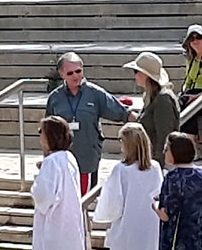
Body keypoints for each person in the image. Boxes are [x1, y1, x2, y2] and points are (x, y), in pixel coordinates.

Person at [44, 52, 135, 195]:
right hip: (62, 159)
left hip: (88, 156)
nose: (75, 76)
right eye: (70, 73)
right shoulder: (55, 98)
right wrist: (46, 158)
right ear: (62, 74)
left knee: (86, 198)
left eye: (78, 71)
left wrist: (139, 120)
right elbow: (47, 130)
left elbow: (121, 112)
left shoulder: (95, 93)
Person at [93, 123, 163, 250]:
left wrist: (103, 215)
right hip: (150, 226)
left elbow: (112, 202)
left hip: (127, 226)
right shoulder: (155, 168)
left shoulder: (121, 170)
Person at [30, 116, 89, 250]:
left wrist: (35, 185)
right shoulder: (69, 157)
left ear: (49, 136)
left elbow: (43, 196)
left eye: (41, 132)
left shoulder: (51, 162)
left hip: (54, 226)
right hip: (70, 222)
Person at [124, 52, 179, 164]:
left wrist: (158, 166)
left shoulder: (163, 99)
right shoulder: (151, 97)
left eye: (136, 71)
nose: (134, 75)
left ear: (145, 75)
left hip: (157, 163)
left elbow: (164, 137)